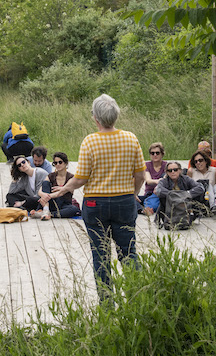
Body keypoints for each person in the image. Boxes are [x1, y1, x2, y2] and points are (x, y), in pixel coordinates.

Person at [42, 94, 146, 297]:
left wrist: (63, 190)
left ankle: (107, 306)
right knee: (128, 253)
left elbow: (80, 179)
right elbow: (140, 175)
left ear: (95, 118)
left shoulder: (90, 142)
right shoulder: (131, 139)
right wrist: (132, 194)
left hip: (94, 203)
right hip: (124, 201)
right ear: (116, 116)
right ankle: (139, 301)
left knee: (101, 255)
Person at [7, 155, 50, 219]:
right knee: (9, 196)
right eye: (19, 165)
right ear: (19, 169)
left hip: (42, 199)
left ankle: (19, 207)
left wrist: (22, 202)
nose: (22, 165)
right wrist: (15, 179)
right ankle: (20, 207)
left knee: (30, 199)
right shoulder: (24, 178)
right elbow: (11, 191)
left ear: (28, 162)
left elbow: (38, 194)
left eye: (23, 162)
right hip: (31, 199)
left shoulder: (40, 172)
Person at [40, 151, 81, 218]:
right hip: (51, 202)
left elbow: (63, 192)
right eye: (55, 163)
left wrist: (47, 196)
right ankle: (46, 208)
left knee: (74, 209)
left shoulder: (71, 177)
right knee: (45, 183)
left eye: (60, 162)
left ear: (65, 163)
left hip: (64, 204)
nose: (58, 164)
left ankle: (50, 214)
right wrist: (44, 196)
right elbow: (40, 190)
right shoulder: (51, 176)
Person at [139, 142, 167, 215]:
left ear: (162, 154)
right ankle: (142, 210)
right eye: (152, 153)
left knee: (154, 203)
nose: (155, 155)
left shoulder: (166, 166)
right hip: (149, 193)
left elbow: (165, 179)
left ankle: (148, 208)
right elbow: (148, 181)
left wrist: (158, 185)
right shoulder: (147, 165)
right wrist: (158, 181)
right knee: (131, 199)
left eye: (157, 153)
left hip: (161, 193)